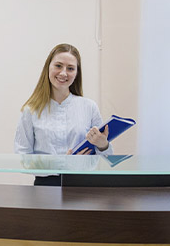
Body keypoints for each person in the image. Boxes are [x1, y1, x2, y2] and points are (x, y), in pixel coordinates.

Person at [14, 43, 111, 185]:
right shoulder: (31, 110)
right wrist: (62, 163)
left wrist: (103, 145)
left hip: (84, 186)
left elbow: (106, 160)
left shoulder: (89, 107)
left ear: (76, 73)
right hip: (46, 188)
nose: (63, 73)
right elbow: (22, 158)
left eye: (70, 68)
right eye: (58, 66)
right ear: (48, 67)